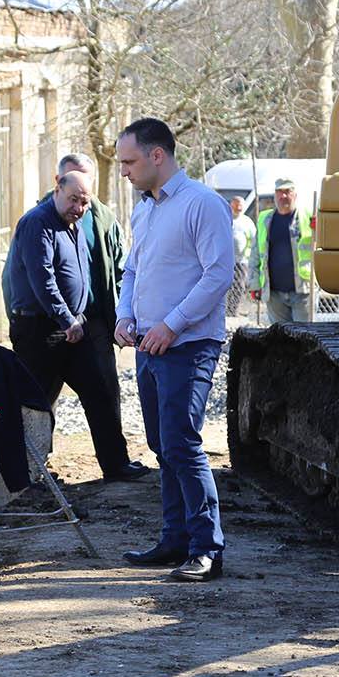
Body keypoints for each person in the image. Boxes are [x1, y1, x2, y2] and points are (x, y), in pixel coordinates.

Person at [113, 117, 233, 583]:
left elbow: (218, 275)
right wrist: (126, 316)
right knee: (163, 445)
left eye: (129, 161)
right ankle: (175, 538)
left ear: (156, 155)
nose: (124, 171)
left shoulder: (203, 205)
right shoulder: (143, 209)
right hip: (148, 344)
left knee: (182, 444)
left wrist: (172, 325)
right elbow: (132, 272)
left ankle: (207, 547)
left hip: (189, 345)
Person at [6, 168, 145, 481]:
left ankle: (116, 464)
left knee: (100, 392)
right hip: (41, 332)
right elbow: (42, 279)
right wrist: (66, 318)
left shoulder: (76, 224)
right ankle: (25, 473)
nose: (79, 208)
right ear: (57, 188)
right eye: (73, 200)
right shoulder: (37, 223)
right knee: (34, 403)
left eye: (84, 202)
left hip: (75, 328)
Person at [249, 177, 314, 323]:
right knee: (280, 339)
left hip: (302, 291)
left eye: (287, 192)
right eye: (279, 192)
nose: (283, 196)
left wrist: (320, 226)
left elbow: (324, 244)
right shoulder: (265, 219)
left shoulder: (309, 216)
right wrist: (254, 284)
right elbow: (255, 255)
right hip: (274, 293)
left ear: (294, 195)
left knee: (305, 337)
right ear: (274, 195)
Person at [227, 195, 256, 315]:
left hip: (242, 260)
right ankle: (225, 309)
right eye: (235, 204)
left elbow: (253, 239)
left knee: (239, 284)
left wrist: (248, 254)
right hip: (227, 260)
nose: (238, 207)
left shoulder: (247, 222)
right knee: (225, 284)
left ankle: (234, 309)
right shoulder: (226, 218)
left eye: (240, 205)